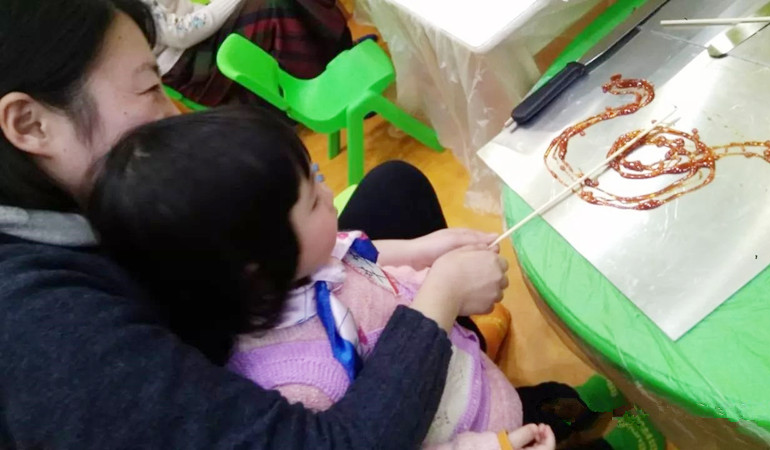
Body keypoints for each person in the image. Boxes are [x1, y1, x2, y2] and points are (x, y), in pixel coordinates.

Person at [0, 0, 510, 448]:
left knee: (394, 189)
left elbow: (344, 251)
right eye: (150, 88)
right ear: (30, 124)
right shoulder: (46, 331)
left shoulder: (93, 211)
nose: (173, 114)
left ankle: (465, 363)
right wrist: (439, 298)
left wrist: (431, 285)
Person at [86, 105, 557, 450]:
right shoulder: (303, 382)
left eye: (315, 175)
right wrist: (493, 444)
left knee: (545, 402)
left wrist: (423, 251)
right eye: (312, 199)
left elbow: (358, 258)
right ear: (257, 265)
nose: (329, 192)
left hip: (469, 375)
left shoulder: (302, 262)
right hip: (479, 432)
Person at [149, 0, 353, 107]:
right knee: (276, 4)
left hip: (202, 34)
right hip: (189, 64)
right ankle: (321, 89)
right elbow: (181, 33)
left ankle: (339, 56)